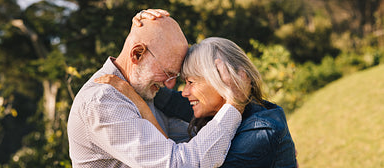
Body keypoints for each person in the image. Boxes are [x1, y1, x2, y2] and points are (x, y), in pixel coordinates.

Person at [67, 9, 245, 167]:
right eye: (167, 72)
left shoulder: (141, 89)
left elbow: (191, 141)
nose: (170, 83)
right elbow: (181, 164)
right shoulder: (103, 101)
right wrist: (235, 104)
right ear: (137, 54)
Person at [97, 37, 298, 167]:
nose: (185, 92)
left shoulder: (260, 132)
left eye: (191, 82)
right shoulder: (222, 112)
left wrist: (135, 100)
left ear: (223, 80)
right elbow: (168, 100)